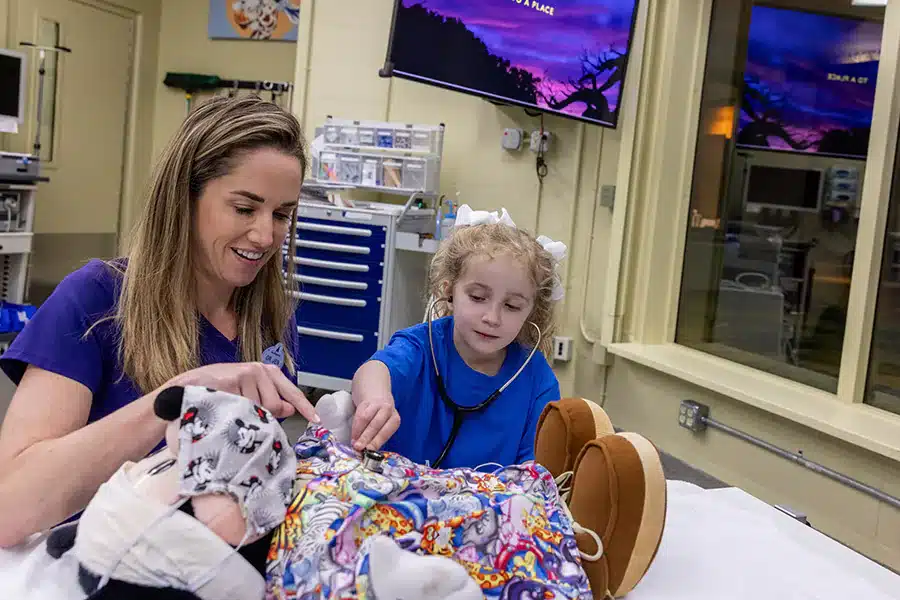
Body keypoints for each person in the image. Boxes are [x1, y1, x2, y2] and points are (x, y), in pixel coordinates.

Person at [0, 95, 319, 548]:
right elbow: (9, 509)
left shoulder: (269, 322)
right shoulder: (95, 299)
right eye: (245, 209)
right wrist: (177, 400)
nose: (266, 235)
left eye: (283, 214)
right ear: (184, 199)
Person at [350, 205, 566, 469]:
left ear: (532, 310)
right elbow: (373, 370)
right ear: (449, 291)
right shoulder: (422, 347)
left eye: (512, 306)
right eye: (477, 297)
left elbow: (533, 471)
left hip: (492, 507)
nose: (492, 317)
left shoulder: (537, 381)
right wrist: (377, 399)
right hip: (404, 500)